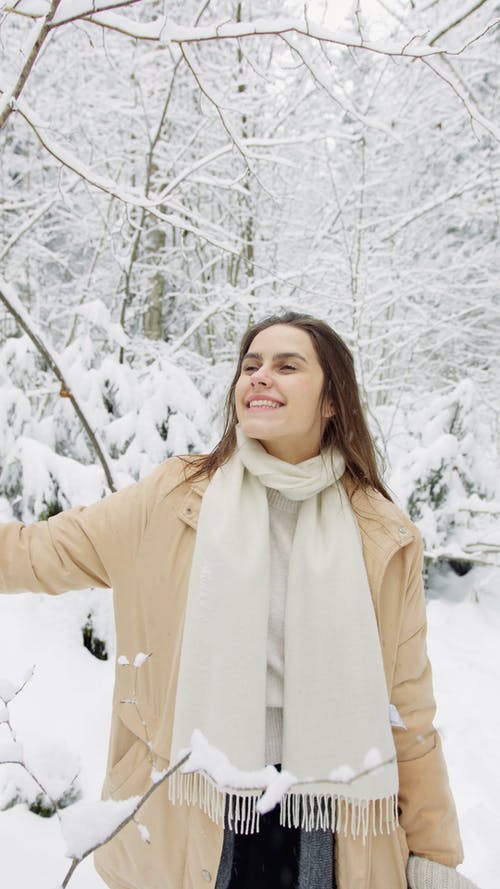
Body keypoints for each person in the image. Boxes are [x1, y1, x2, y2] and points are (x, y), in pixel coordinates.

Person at [0, 312, 478, 889]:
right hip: (194, 795)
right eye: (250, 365)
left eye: (286, 365)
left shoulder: (381, 536)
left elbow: (408, 713)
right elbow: (37, 552)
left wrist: (434, 855)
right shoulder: (174, 499)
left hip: (325, 811)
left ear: (332, 401)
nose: (259, 377)